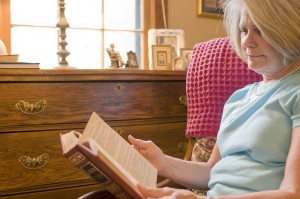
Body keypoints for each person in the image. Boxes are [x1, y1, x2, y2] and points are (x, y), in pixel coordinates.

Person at [128, 0, 300, 198]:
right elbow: (213, 171)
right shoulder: (238, 98)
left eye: (259, 30)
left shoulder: (295, 92)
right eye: (243, 31)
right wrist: (163, 163)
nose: (246, 42)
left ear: (288, 31)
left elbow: (293, 193)